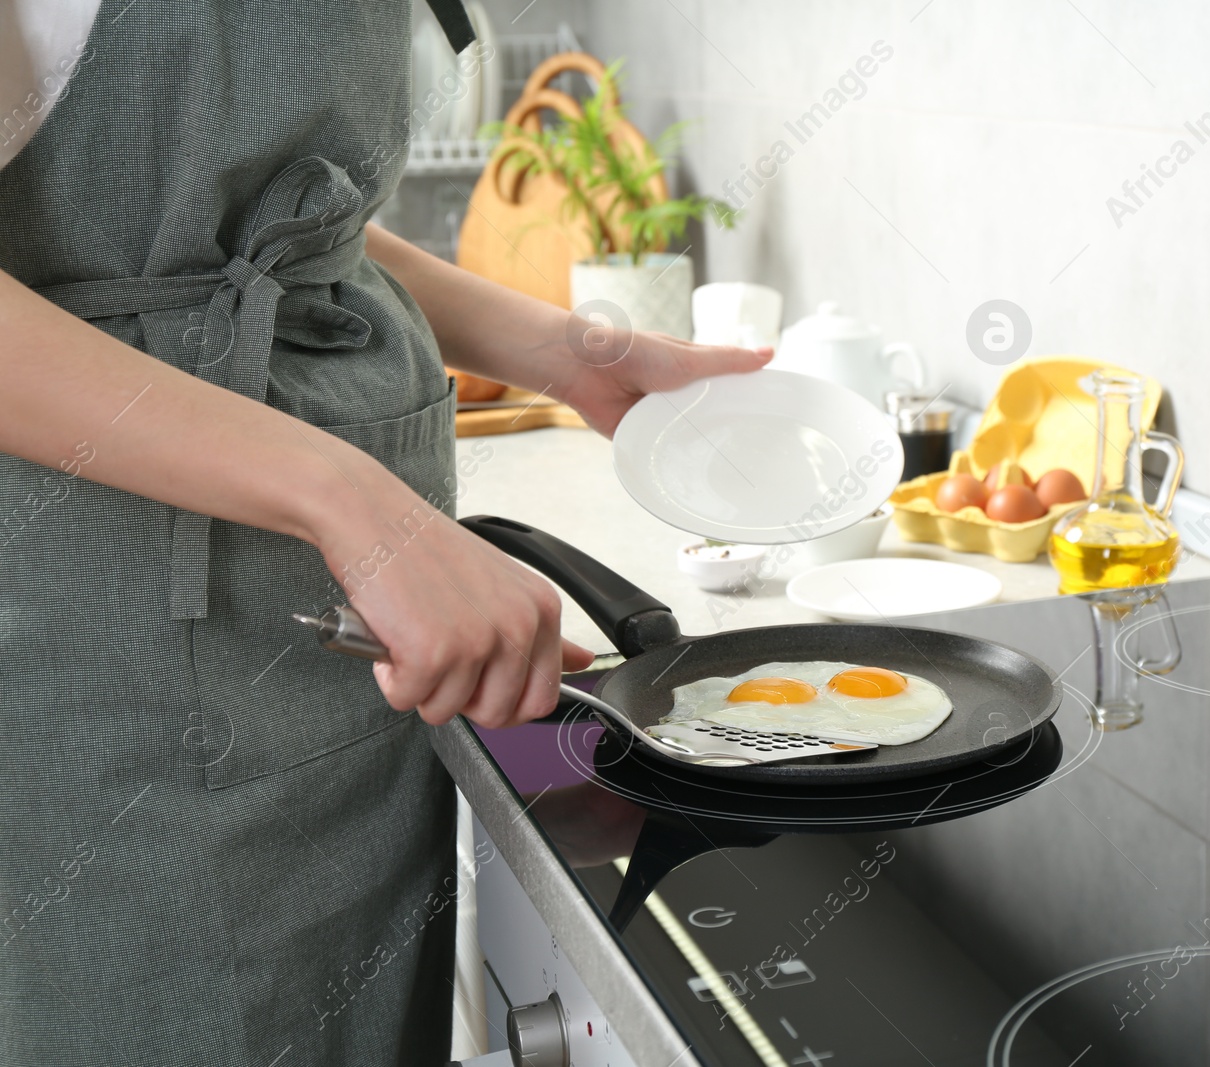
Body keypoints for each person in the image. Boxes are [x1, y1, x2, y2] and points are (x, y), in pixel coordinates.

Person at [0, 2, 769, 1063]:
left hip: (329, 650)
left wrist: (565, 349)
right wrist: (354, 504)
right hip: (118, 631)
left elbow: (266, 223)